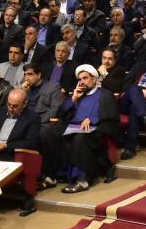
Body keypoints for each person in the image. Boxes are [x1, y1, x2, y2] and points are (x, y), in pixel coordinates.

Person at [38, 64, 120, 193]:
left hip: (95, 130)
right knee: (48, 134)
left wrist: (92, 118)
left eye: (85, 78)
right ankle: (50, 176)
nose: (82, 82)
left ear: (94, 79)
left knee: (79, 137)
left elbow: (111, 114)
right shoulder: (78, 95)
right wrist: (73, 99)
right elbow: (62, 114)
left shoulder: (105, 94)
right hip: (74, 127)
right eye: (80, 79)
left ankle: (82, 180)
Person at [0, 88, 40, 162]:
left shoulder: (32, 118)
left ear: (24, 104)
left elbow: (31, 142)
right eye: (9, 104)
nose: (10, 108)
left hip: (10, 153)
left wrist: (7, 146)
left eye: (15, 106)